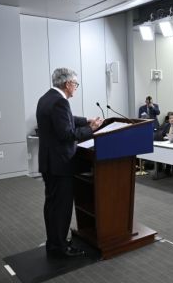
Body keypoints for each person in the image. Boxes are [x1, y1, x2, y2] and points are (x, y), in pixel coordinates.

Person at [37, 68, 103, 258]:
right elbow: (66, 134)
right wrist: (91, 129)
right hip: (60, 164)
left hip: (49, 163)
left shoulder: (46, 98)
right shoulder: (60, 101)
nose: (75, 88)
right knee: (62, 207)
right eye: (75, 84)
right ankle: (60, 248)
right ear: (67, 84)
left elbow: (67, 120)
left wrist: (86, 120)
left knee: (52, 205)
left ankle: (54, 242)